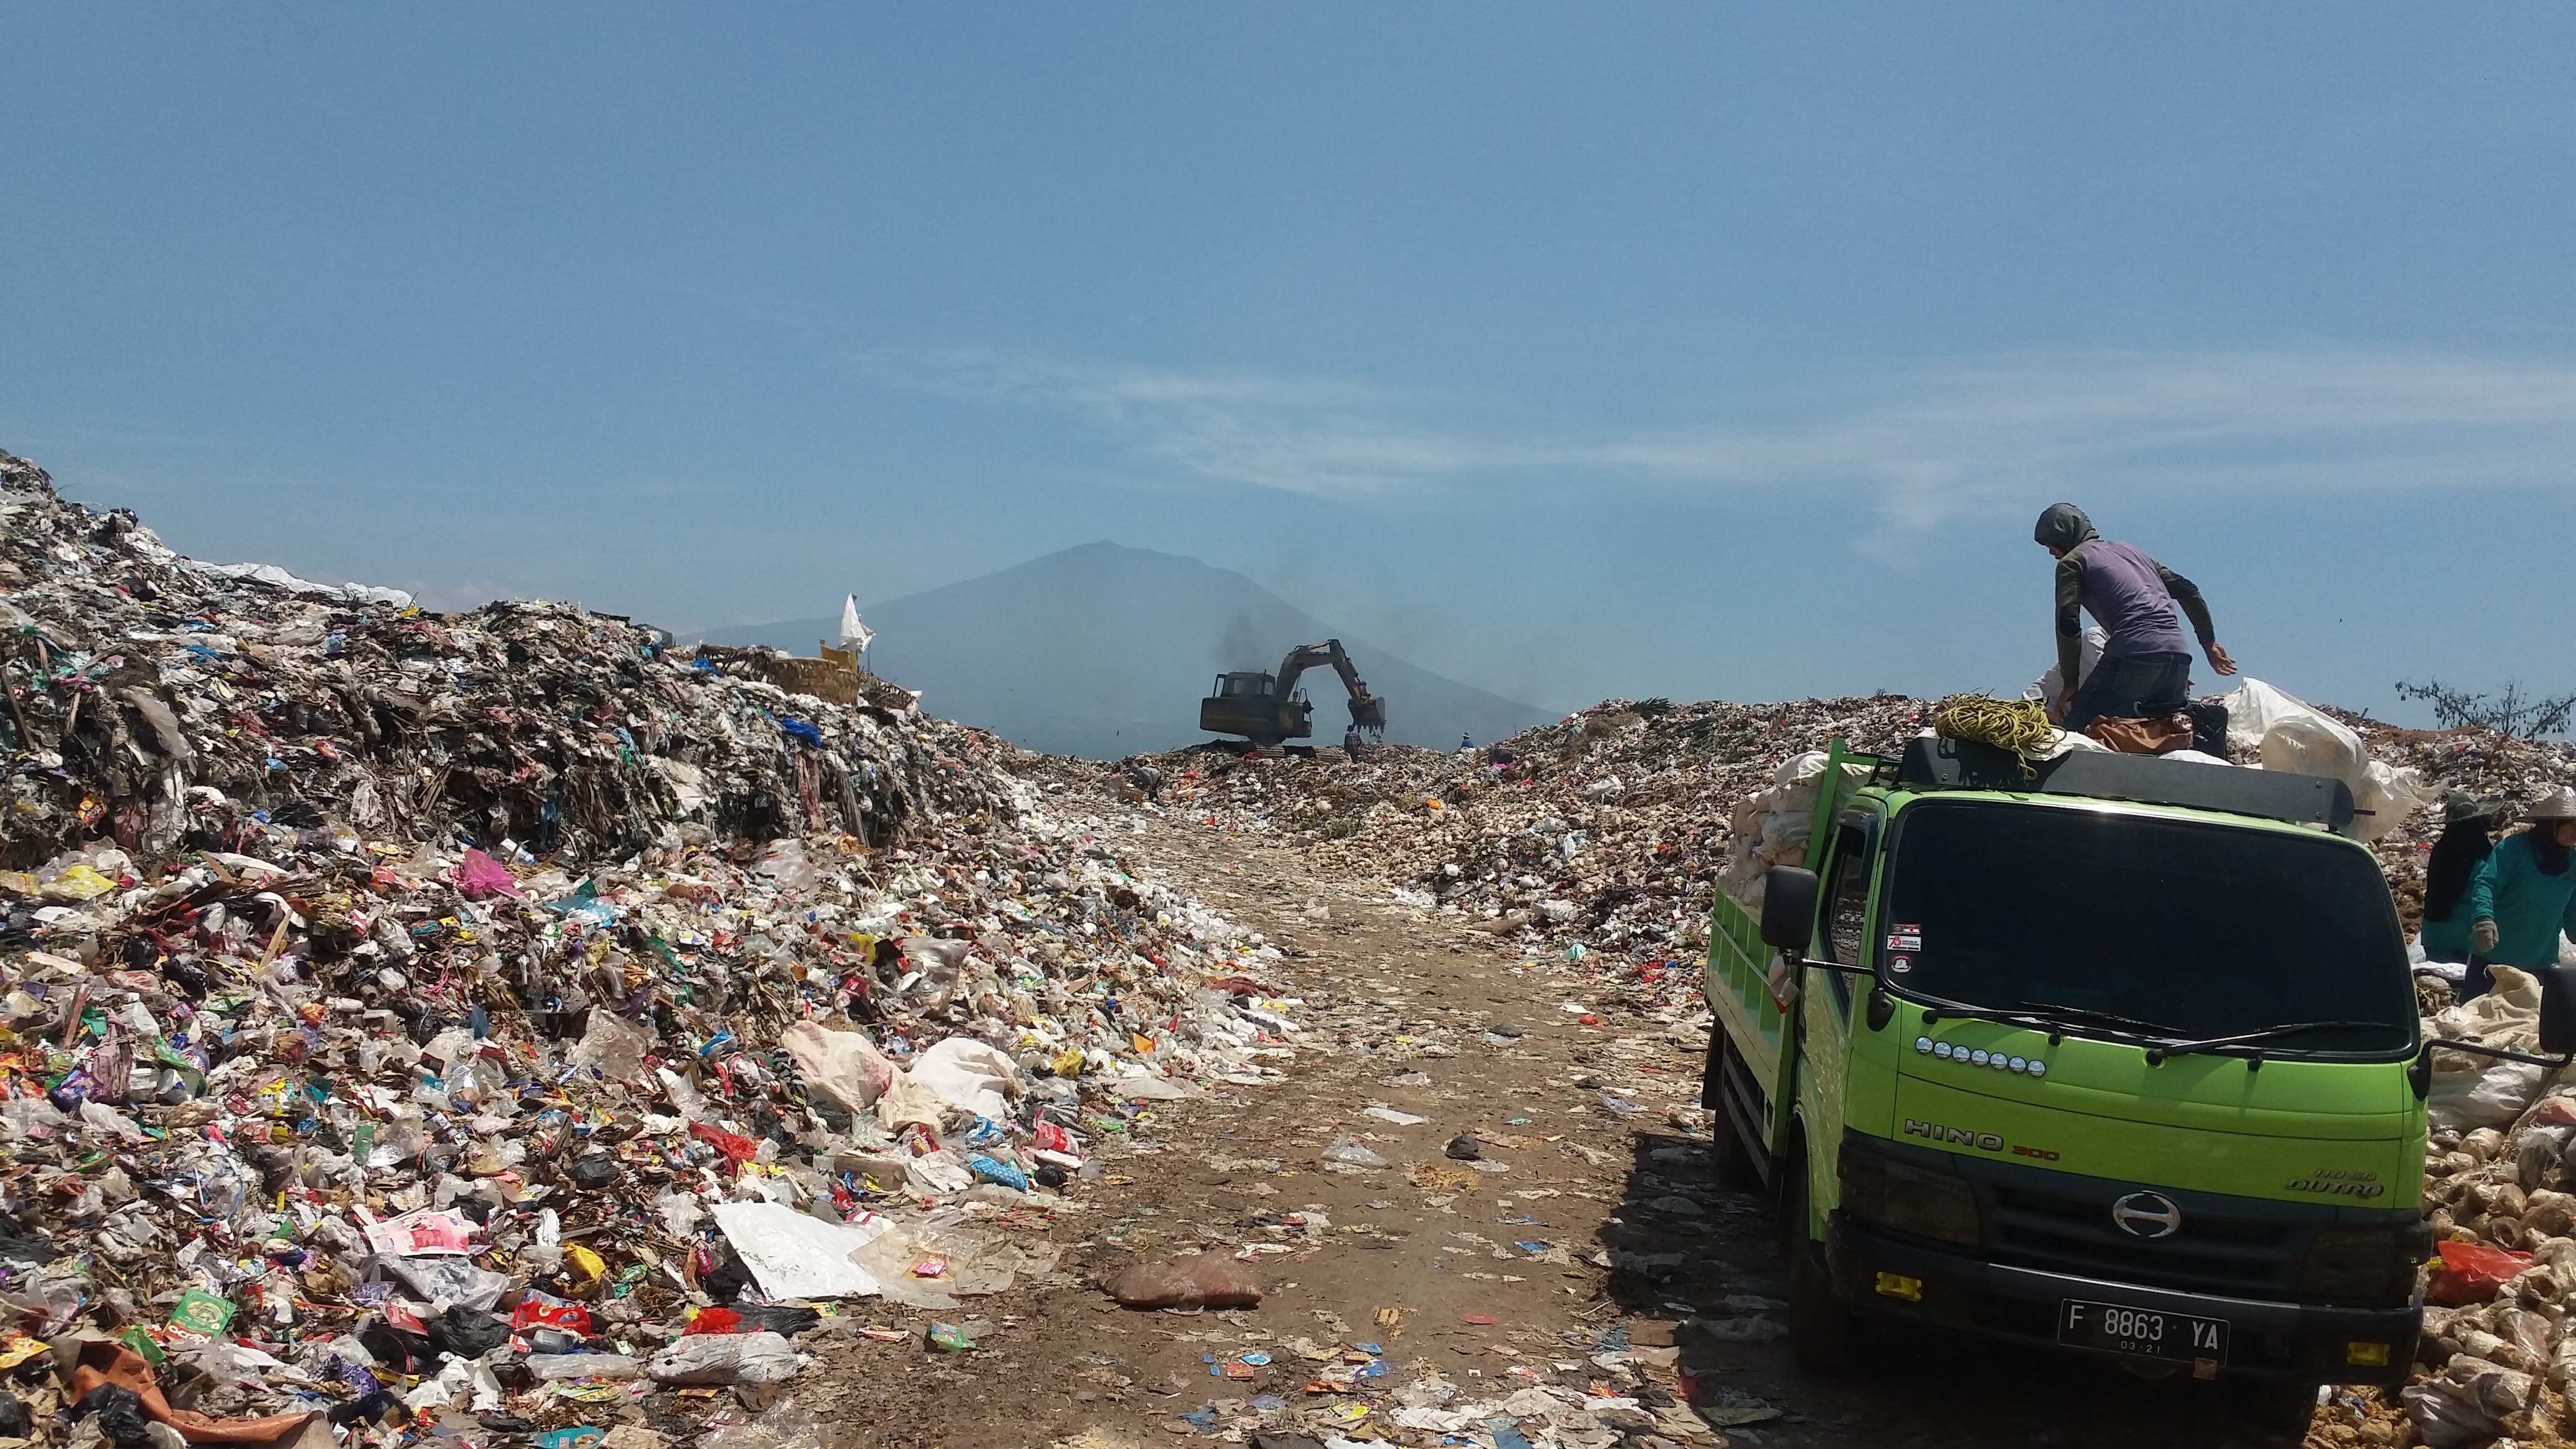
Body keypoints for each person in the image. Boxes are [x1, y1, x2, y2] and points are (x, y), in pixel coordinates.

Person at [2032, 504, 2239, 733]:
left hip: (2133, 654)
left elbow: (2068, 622)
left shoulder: (2072, 562)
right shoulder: (2132, 552)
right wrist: (2209, 645)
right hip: (2178, 655)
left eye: (2050, 544)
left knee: (2081, 729)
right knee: (2157, 731)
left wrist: (2070, 682)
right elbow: (2188, 590)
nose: (2050, 552)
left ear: (2063, 535)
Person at [2464, 788, 2576, 1000]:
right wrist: (2483, 919)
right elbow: (2486, 883)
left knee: (2526, 1028)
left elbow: (2573, 910)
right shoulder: (2515, 848)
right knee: (2476, 1023)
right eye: (2573, 825)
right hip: (2495, 960)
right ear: (2554, 823)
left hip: (2539, 964)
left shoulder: (2573, 862)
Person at [2419, 793, 2507, 965]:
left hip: (2434, 935)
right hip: (2466, 937)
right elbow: (2487, 890)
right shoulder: (2480, 854)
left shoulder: (2442, 849)